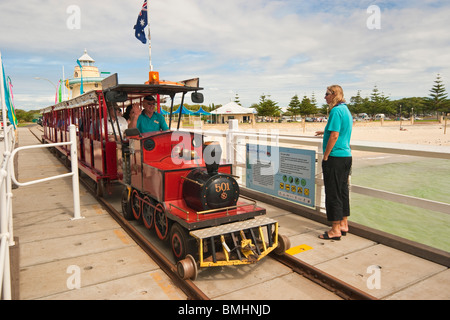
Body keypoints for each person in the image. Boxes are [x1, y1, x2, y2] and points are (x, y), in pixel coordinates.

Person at [315, 85, 353, 240]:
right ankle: (344, 223)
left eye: (327, 94)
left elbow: (335, 135)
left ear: (334, 95)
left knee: (333, 193)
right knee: (342, 190)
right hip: (346, 157)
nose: (325, 97)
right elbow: (340, 129)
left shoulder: (336, 111)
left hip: (335, 158)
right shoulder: (345, 110)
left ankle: (335, 229)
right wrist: (324, 131)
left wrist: (326, 156)